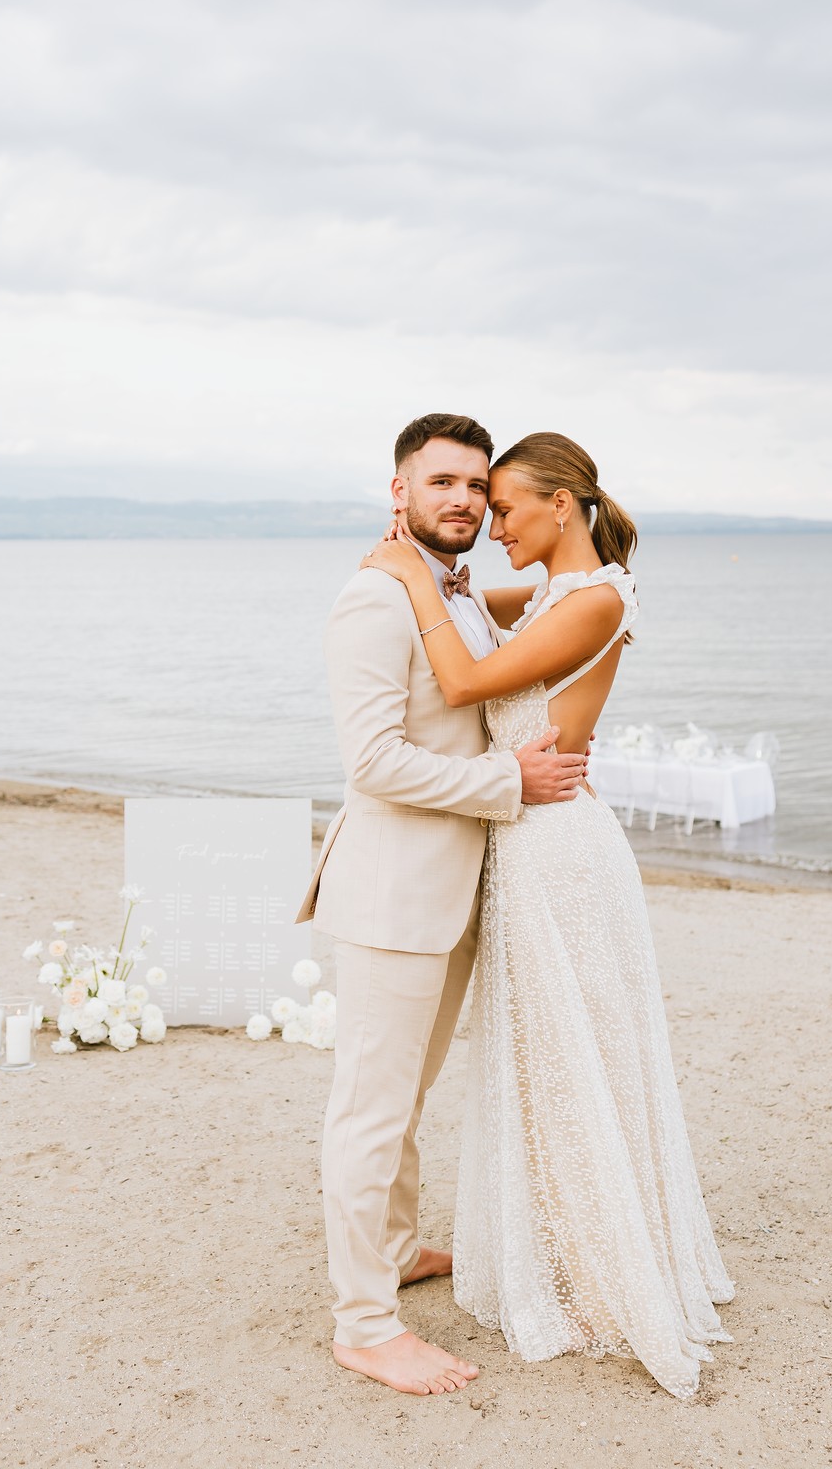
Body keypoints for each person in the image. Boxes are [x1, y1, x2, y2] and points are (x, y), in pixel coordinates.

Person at [361, 429, 734, 1401]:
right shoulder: (560, 593)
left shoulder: (597, 595)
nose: (492, 525)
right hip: (523, 838)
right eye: (478, 504)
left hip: (556, 847)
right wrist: (423, 573)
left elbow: (465, 679)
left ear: (560, 505)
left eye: (508, 507)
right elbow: (468, 615)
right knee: (543, 1059)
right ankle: (570, 1246)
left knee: (572, 1056)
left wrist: (404, 568)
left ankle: (599, 1272)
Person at [296, 414, 591, 1397]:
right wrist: (510, 783)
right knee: (370, 1110)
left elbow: (514, 637)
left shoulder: (453, 591)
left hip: (450, 892)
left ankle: (392, 1248)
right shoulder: (374, 603)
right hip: (392, 896)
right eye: (442, 484)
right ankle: (364, 1324)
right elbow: (373, 763)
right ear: (398, 493)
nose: (463, 500)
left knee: (404, 1096)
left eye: (476, 486)